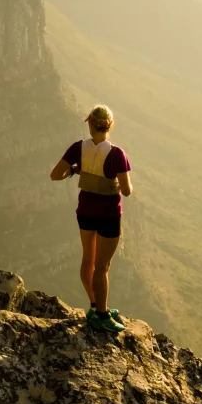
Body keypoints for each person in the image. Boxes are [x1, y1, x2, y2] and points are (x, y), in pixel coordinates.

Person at [51, 105, 133, 332]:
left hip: (85, 211)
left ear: (89, 124)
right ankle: (103, 315)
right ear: (110, 125)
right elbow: (126, 191)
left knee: (88, 260)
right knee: (102, 266)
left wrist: (77, 171)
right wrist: (116, 182)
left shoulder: (78, 148)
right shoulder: (117, 155)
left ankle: (95, 305)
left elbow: (55, 175)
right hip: (108, 214)